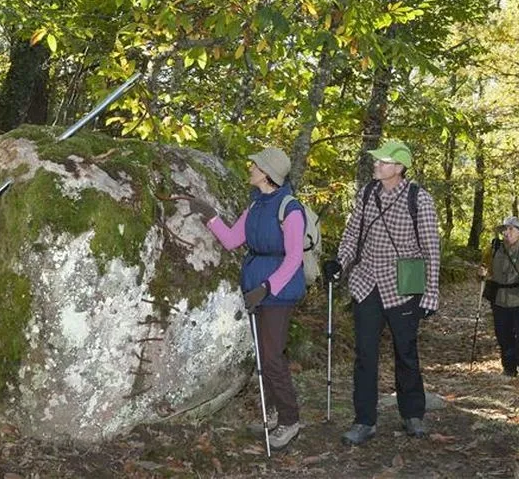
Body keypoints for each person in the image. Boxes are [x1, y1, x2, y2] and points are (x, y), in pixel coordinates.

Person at [184, 146, 305, 451]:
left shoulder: (290, 209)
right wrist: (209, 215)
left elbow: (293, 259)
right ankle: (274, 412)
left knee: (272, 356)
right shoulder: (256, 205)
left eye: (256, 165)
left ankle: (290, 420)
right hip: (255, 287)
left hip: (278, 291)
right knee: (263, 356)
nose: (250, 167)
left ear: (267, 173)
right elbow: (231, 240)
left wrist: (267, 287)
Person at [322, 139, 440, 446]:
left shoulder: (420, 199)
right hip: (366, 284)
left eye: (383, 161)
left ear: (399, 168)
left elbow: (431, 248)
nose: (376, 164)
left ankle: (412, 414)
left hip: (404, 285)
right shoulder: (366, 193)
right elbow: (352, 234)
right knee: (365, 355)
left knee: (406, 352)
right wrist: (340, 262)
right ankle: (364, 420)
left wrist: (431, 293)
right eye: (376, 161)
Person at [478, 216, 519, 379]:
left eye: (511, 229)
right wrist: (481, 273)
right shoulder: (493, 249)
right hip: (499, 300)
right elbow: (483, 270)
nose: (506, 232)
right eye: (505, 229)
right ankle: (509, 369)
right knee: (503, 336)